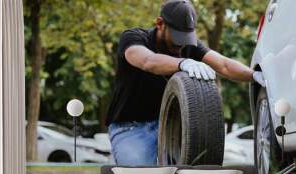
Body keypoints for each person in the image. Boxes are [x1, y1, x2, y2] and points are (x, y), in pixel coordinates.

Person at [105, 0, 265, 165]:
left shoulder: (188, 46)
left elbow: (223, 65)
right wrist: (182, 63)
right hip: (131, 127)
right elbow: (148, 61)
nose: (181, 43)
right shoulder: (134, 38)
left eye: (185, 37)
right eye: (177, 37)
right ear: (160, 23)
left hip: (171, 126)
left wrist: (253, 75)